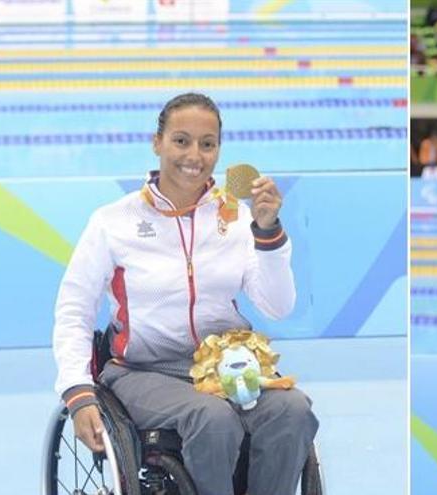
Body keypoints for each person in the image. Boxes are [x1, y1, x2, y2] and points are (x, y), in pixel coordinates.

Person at [53, 93, 319, 495]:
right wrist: (78, 391)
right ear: (157, 143)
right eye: (181, 140)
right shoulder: (114, 222)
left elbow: (277, 307)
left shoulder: (238, 216)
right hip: (142, 371)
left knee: (293, 410)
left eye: (207, 144)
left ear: (218, 151)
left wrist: (267, 232)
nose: (194, 154)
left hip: (227, 367)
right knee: (212, 418)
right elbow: (74, 309)